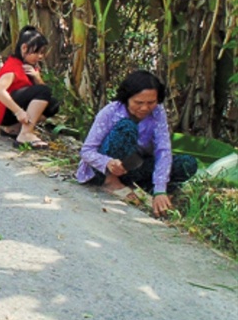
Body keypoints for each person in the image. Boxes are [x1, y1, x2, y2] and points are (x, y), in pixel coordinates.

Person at [76, 70, 198, 217]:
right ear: (127, 98)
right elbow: (87, 151)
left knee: (188, 163)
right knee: (127, 128)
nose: (145, 108)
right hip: (104, 169)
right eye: (139, 103)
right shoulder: (111, 111)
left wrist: (160, 189)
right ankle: (110, 182)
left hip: (134, 166)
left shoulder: (158, 112)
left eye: (151, 102)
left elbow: (163, 150)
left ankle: (149, 190)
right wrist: (107, 162)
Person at [0, 26, 60, 149]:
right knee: (44, 91)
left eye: (42, 53)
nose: (40, 57)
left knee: (52, 104)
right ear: (24, 48)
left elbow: (44, 96)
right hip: (1, 109)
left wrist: (37, 77)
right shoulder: (13, 67)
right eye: (37, 52)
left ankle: (13, 129)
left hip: (10, 110)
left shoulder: (30, 67)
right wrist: (18, 112)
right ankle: (25, 133)